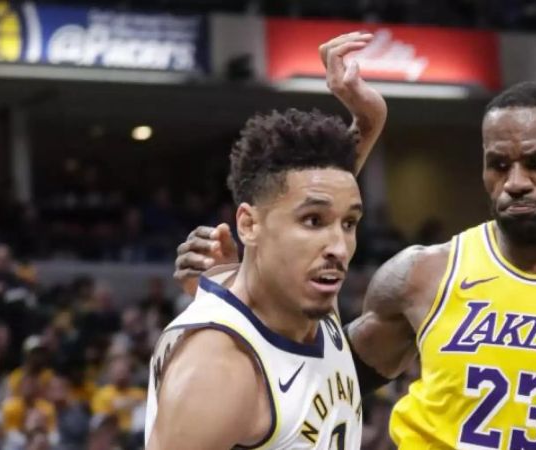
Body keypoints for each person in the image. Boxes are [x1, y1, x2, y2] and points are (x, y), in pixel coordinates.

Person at [177, 36, 536, 450]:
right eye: (498, 164)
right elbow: (319, 377)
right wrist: (242, 287)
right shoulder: (423, 275)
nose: (515, 181)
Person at [145, 32, 388, 450]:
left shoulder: (302, 288)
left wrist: (371, 115)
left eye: (349, 224)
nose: (338, 246)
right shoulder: (220, 369)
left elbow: (325, 190)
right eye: (313, 222)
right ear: (249, 226)